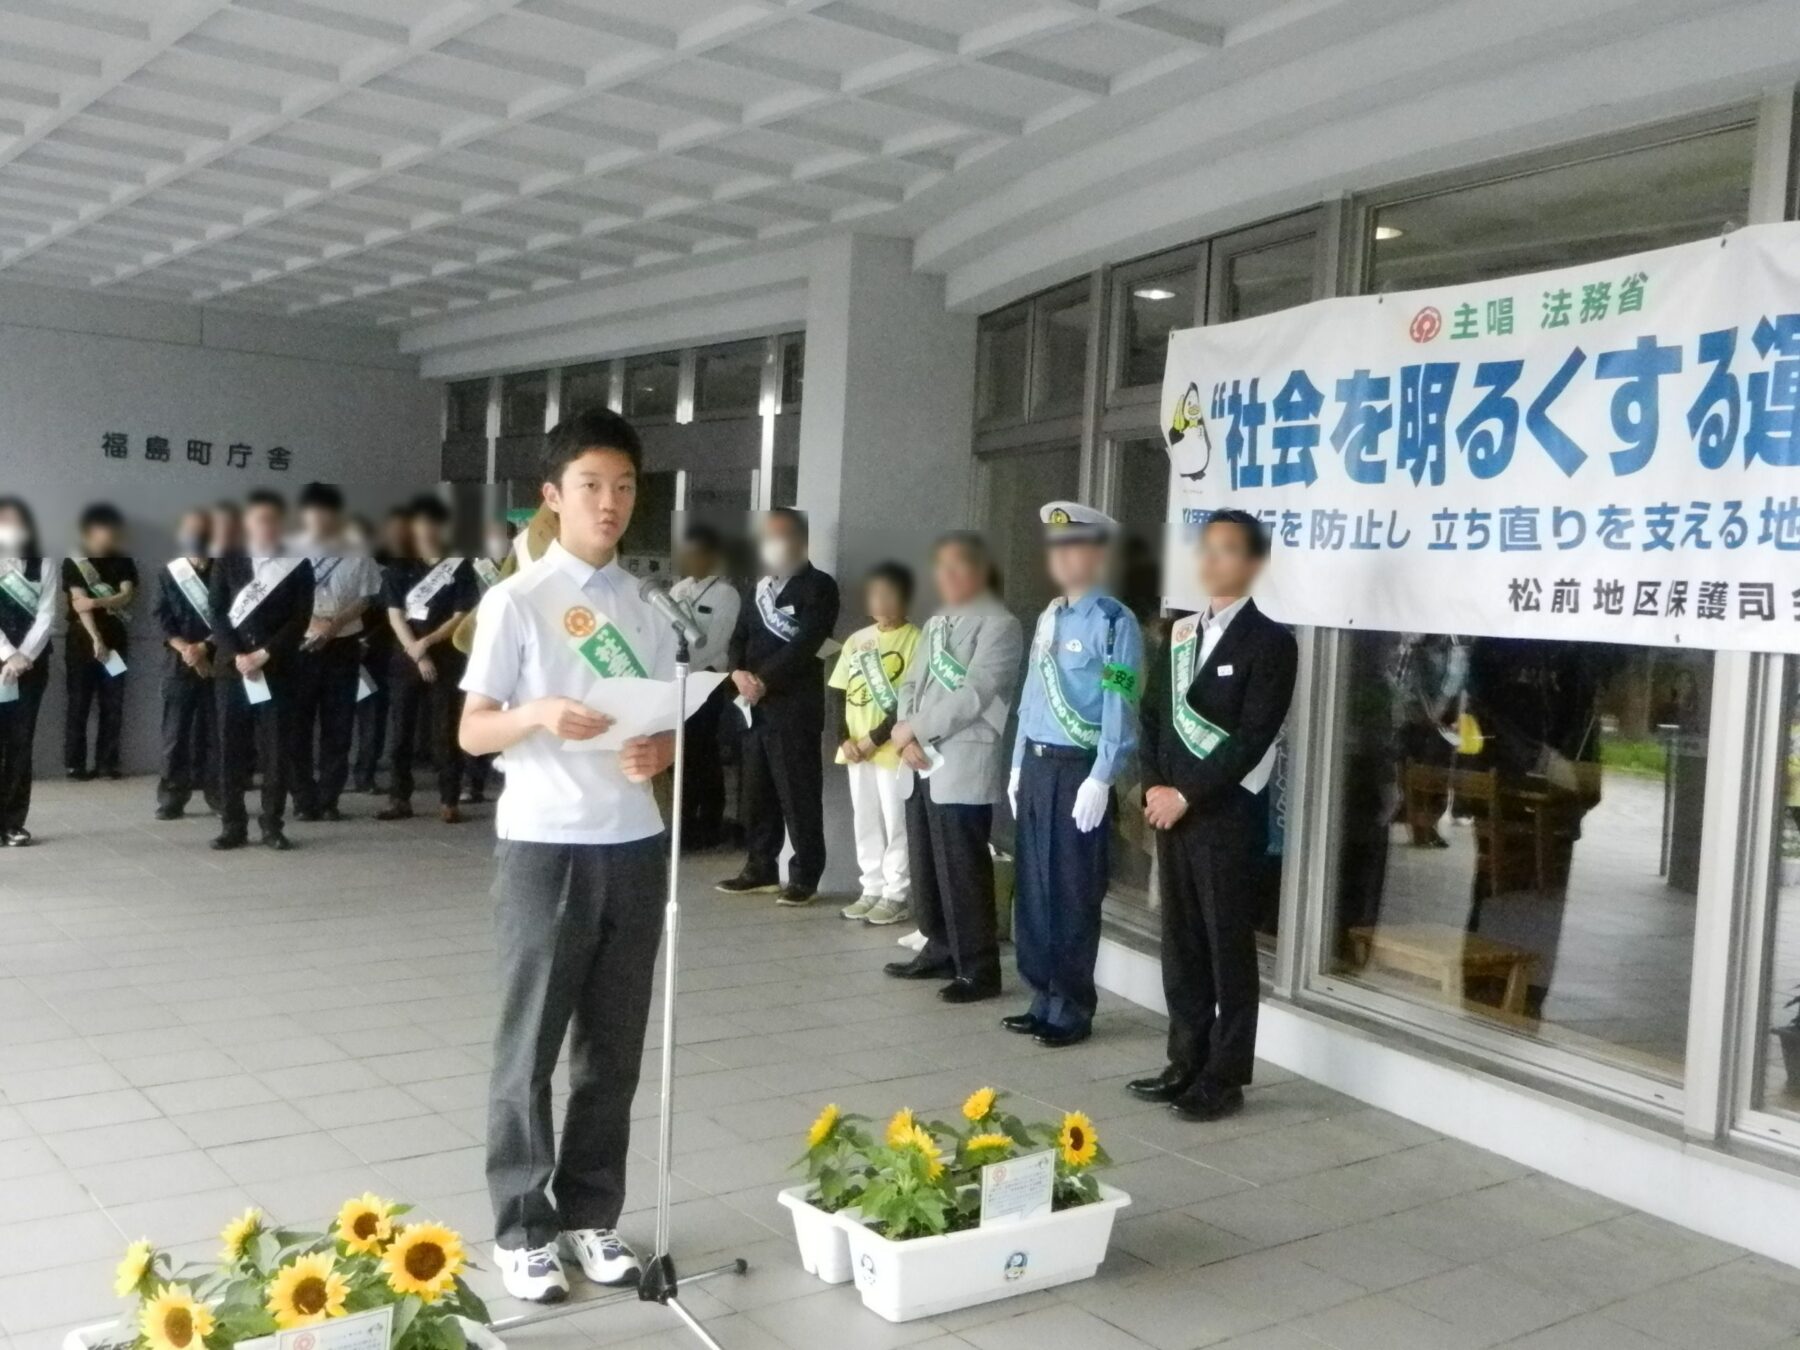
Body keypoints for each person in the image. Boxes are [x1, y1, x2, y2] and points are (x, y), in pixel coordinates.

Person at [458, 407, 676, 1303]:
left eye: (624, 486)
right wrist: (539, 714)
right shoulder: (518, 600)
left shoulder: (650, 607)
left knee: (612, 1051)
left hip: (634, 842)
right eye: (591, 485)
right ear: (552, 496)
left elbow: (662, 724)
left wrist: (658, 753)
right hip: (546, 844)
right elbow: (472, 731)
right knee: (529, 1047)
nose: (610, 502)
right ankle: (521, 1225)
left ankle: (591, 1215)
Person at [1128, 510, 1297, 1122]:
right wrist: (1153, 788)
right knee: (1181, 942)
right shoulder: (1177, 634)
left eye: (1227, 550)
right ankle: (1185, 1060)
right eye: (1206, 549)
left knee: (1227, 947)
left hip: (1224, 816)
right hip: (1170, 811)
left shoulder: (1272, 642)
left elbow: (1251, 737)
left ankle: (1225, 1076)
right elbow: (1151, 718)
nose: (1212, 561)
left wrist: (1186, 794)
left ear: (1253, 564)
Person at [1004, 501, 1143, 1049]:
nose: (1063, 559)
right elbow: (1031, 697)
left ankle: (1072, 1006)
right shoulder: (1049, 615)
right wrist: (1016, 763)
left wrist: (1104, 774)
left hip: (1079, 771)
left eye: (1074, 547)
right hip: (1038, 765)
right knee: (1034, 890)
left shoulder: (1115, 621)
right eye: (1056, 549)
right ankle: (1041, 995)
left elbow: (1120, 701)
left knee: (1072, 891)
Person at [885, 534, 1023, 999]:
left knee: (963, 870)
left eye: (957, 568)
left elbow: (975, 694)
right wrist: (905, 733)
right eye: (940, 568)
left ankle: (978, 968)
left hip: (961, 759)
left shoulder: (1000, 625)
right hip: (918, 759)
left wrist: (915, 732)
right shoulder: (936, 622)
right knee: (926, 863)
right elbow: (910, 683)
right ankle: (939, 947)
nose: (946, 577)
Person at [715, 508, 839, 905]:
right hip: (753, 706)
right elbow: (739, 636)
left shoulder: (819, 586)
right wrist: (737, 674)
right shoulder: (759, 586)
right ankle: (760, 866)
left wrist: (763, 680)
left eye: (777, 536)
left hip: (793, 708)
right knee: (756, 792)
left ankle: (804, 876)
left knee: (797, 793)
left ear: (799, 540)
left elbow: (807, 644)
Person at [209, 490, 314, 851]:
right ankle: (232, 825)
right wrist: (239, 654)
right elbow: (217, 613)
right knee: (230, 750)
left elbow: (299, 620)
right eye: (258, 520)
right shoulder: (228, 559)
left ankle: (272, 824)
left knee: (276, 750)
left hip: (279, 669)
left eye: (272, 520)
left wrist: (264, 654)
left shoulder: (297, 565)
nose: (265, 526)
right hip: (232, 670)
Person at [830, 562, 920, 926]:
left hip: (891, 749)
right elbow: (837, 690)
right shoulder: (857, 640)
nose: (880, 602)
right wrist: (844, 738)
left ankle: (896, 893)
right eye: (875, 594)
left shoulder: (917, 639)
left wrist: (874, 738)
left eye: (889, 594)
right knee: (864, 818)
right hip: (856, 749)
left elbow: (909, 699)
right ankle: (870, 886)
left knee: (895, 820)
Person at [289, 483, 383, 822]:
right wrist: (312, 621)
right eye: (312, 512)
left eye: (325, 512)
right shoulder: (289, 550)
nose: (318, 518)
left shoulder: (356, 550)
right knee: (297, 726)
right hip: (299, 647)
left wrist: (333, 624)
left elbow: (367, 597)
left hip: (342, 646)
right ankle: (302, 798)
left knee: (338, 726)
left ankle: (328, 799)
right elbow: (282, 599)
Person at [379, 495, 476, 824]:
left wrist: (429, 643)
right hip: (407, 659)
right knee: (401, 731)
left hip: (446, 658)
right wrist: (417, 652)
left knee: (445, 732)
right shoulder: (400, 566)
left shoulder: (458, 566)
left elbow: (462, 615)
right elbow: (394, 616)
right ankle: (398, 798)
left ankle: (449, 799)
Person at [668, 523, 740, 850]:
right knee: (682, 754)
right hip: (677, 681)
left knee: (702, 753)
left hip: (706, 680)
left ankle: (708, 822)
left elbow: (717, 641)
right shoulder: (679, 588)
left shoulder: (726, 593)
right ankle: (683, 822)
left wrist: (689, 665)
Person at [62, 502, 138, 781]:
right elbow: (79, 606)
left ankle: (108, 763)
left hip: (116, 641)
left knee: (113, 704)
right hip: (82, 642)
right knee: (78, 703)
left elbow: (127, 596)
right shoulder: (74, 562)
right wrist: (96, 639)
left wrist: (97, 601)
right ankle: (75, 764)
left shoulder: (123, 560)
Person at [153, 508, 218, 820]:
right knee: (175, 734)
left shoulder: (226, 570)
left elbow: (232, 616)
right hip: (179, 663)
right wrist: (187, 650)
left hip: (217, 661)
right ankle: (171, 799)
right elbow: (161, 618)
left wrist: (205, 648)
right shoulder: (170, 573)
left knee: (215, 733)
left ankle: (219, 796)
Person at [0, 498, 56, 846]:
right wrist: (7, 654)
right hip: (1, 662)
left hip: (32, 667)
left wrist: (23, 657)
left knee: (20, 744)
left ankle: (12, 822)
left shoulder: (45, 562)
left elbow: (48, 615)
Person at [351, 507, 411, 795]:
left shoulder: (398, 569)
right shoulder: (346, 565)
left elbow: (393, 616)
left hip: (376, 655)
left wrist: (368, 641)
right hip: (338, 647)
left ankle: (366, 773)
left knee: (372, 716)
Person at [460, 520, 512, 806]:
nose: (496, 540)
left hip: (514, 648)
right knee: (478, 714)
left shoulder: (521, 566)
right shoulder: (474, 567)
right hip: (482, 648)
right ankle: (473, 781)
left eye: (501, 536)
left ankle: (507, 777)